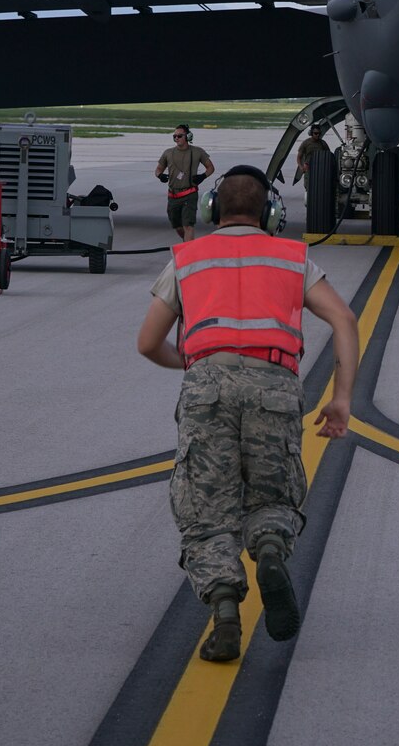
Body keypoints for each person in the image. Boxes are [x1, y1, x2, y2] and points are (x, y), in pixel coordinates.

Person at [135, 166, 359, 663]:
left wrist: (191, 364)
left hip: (207, 385)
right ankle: (272, 549)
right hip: (275, 384)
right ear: (271, 214)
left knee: (206, 508)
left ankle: (224, 615)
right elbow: (343, 318)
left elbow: (148, 342)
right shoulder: (293, 257)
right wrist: (341, 397)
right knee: (272, 492)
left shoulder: (187, 259)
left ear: (213, 210)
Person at [155, 124, 215, 241]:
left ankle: (188, 249)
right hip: (173, 195)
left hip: (189, 194)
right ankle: (188, 243)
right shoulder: (168, 153)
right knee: (176, 225)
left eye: (179, 136)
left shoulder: (198, 152)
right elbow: (158, 169)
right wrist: (160, 176)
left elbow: (211, 168)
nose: (176, 138)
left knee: (188, 225)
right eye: (174, 136)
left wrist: (202, 176)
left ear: (188, 136)